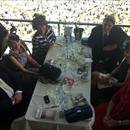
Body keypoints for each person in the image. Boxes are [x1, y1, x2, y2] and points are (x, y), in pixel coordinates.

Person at [91, 40, 130, 106]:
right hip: (113, 79)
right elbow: (118, 68)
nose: (127, 55)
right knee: (94, 74)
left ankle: (94, 101)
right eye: (126, 52)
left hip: (116, 86)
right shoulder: (125, 59)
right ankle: (92, 97)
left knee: (94, 80)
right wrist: (109, 75)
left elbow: (124, 85)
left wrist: (111, 83)